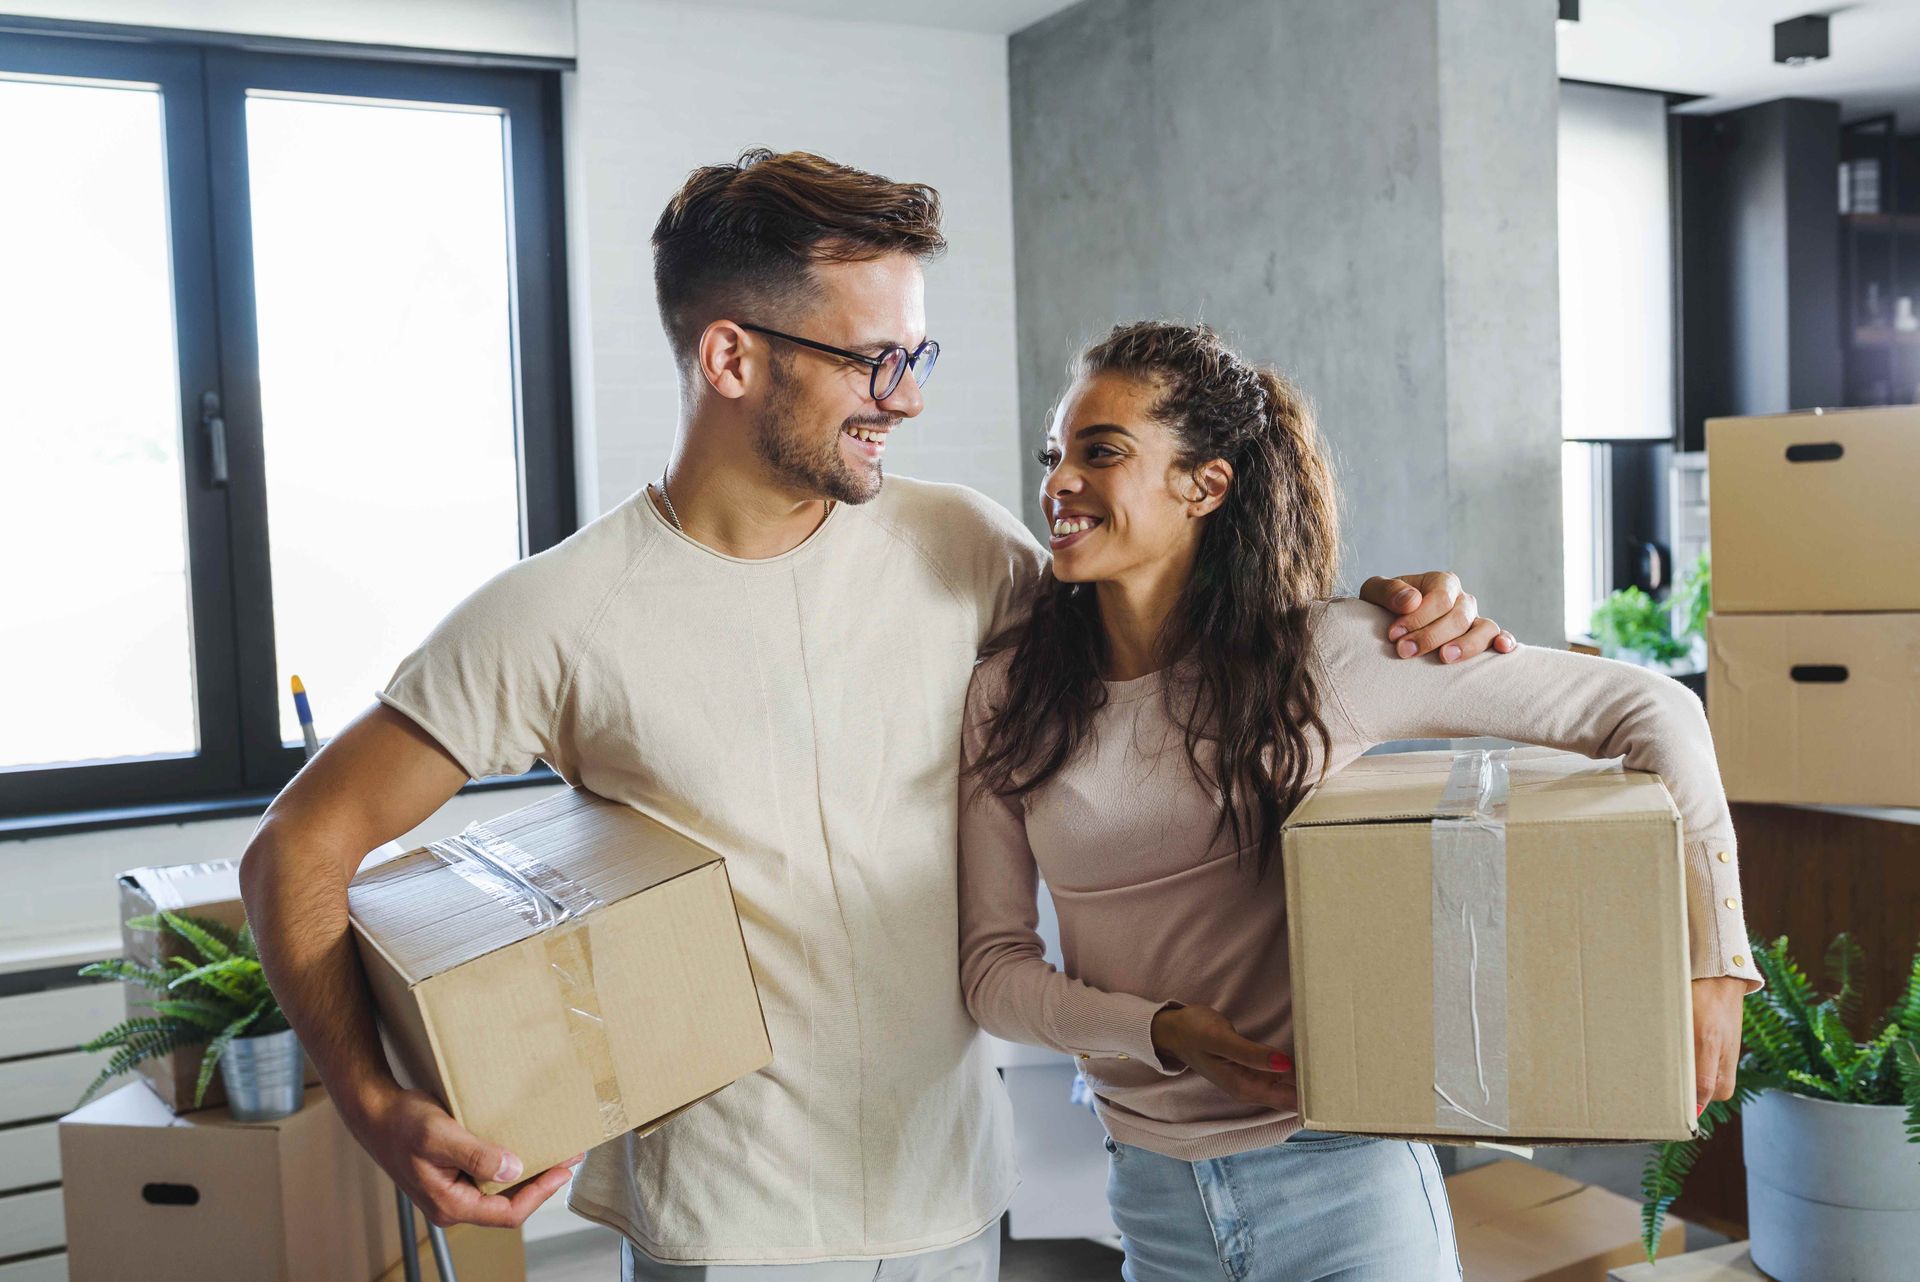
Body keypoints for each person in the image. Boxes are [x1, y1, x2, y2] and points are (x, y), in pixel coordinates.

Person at [237, 151, 1514, 1280]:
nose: (905, 396)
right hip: (725, 1227)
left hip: (954, 1204)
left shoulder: (968, 547)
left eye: (917, 355)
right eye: (873, 360)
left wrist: (1388, 608)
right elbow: (297, 847)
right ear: (731, 357)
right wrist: (367, 1098)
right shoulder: (555, 614)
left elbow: (1181, 649)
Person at [958, 321, 1762, 1282]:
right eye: (1055, 455)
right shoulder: (1011, 696)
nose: (1059, 482)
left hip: (1344, 1180)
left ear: (1204, 486)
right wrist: (1160, 1031)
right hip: (1150, 1197)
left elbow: (1651, 706)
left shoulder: (1326, 658)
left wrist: (1715, 964)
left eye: (1102, 452)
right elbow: (992, 974)